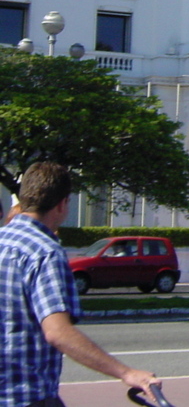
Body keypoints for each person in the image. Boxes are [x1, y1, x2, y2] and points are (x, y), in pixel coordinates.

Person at [0, 162, 161, 407]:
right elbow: (57, 332)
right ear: (63, 204)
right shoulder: (44, 252)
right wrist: (126, 373)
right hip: (27, 397)